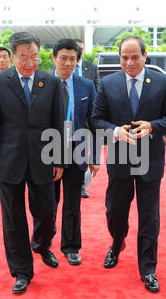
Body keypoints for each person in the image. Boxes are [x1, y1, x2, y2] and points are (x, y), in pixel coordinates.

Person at [91, 35, 166, 292]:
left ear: (145, 57)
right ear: (119, 58)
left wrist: (153, 126)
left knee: (149, 217)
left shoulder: (162, 82)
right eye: (124, 57)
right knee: (114, 211)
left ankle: (148, 268)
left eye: (134, 57)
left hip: (150, 161)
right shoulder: (108, 83)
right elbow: (96, 119)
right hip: (120, 158)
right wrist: (114, 131)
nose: (129, 62)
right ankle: (117, 242)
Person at [0, 31, 65, 294]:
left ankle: (41, 244)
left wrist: (59, 158)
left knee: (47, 212)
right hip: (9, 160)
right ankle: (21, 270)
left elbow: (58, 124)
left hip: (43, 158)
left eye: (34, 57)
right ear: (12, 56)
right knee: (13, 219)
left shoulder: (51, 82)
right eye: (24, 57)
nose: (30, 62)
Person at [50, 38, 99, 266]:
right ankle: (44, 243)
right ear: (54, 58)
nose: (68, 63)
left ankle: (71, 247)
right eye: (63, 58)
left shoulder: (86, 86)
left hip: (77, 150)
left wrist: (95, 157)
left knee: (72, 203)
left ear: (77, 60)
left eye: (73, 59)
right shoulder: (43, 83)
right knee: (48, 202)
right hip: (48, 151)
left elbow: (95, 122)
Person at [73, 39, 100, 199]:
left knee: (82, 151)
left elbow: (97, 88)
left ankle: (81, 184)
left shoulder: (91, 68)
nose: (79, 51)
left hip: (86, 113)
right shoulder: (60, 67)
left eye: (81, 48)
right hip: (69, 116)